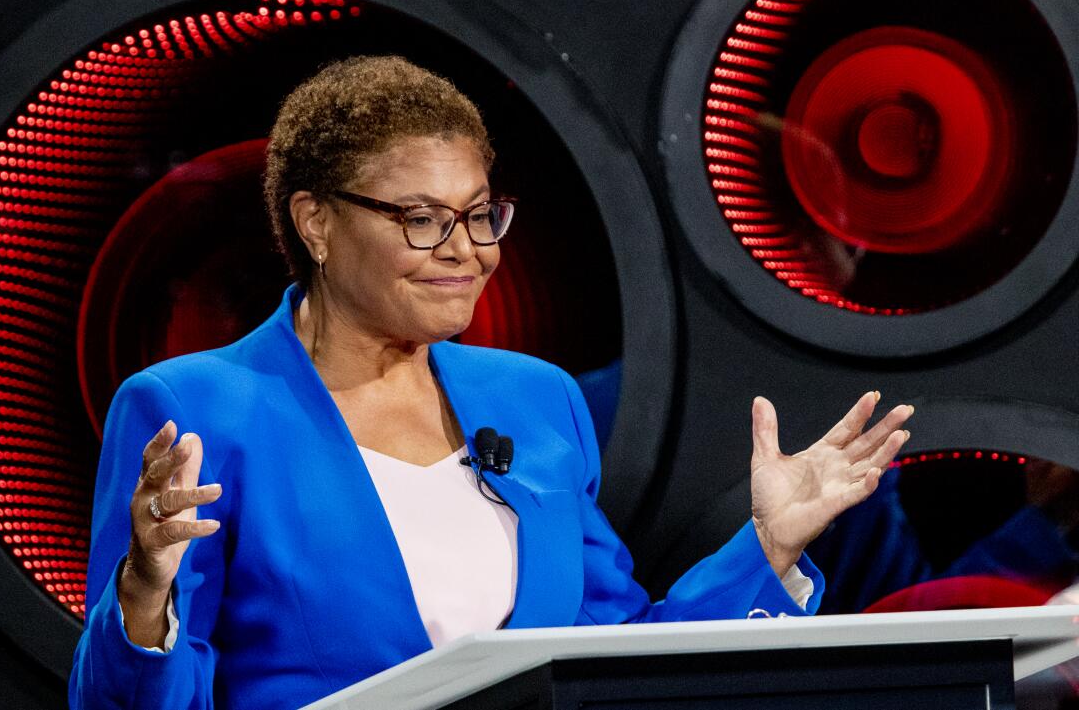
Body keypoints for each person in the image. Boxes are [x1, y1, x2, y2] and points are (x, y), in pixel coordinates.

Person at [69, 55, 914, 709]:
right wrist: (144, 595)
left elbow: (615, 656)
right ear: (315, 221)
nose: (467, 250)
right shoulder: (194, 410)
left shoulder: (536, 398)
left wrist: (769, 544)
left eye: (480, 216)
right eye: (423, 219)